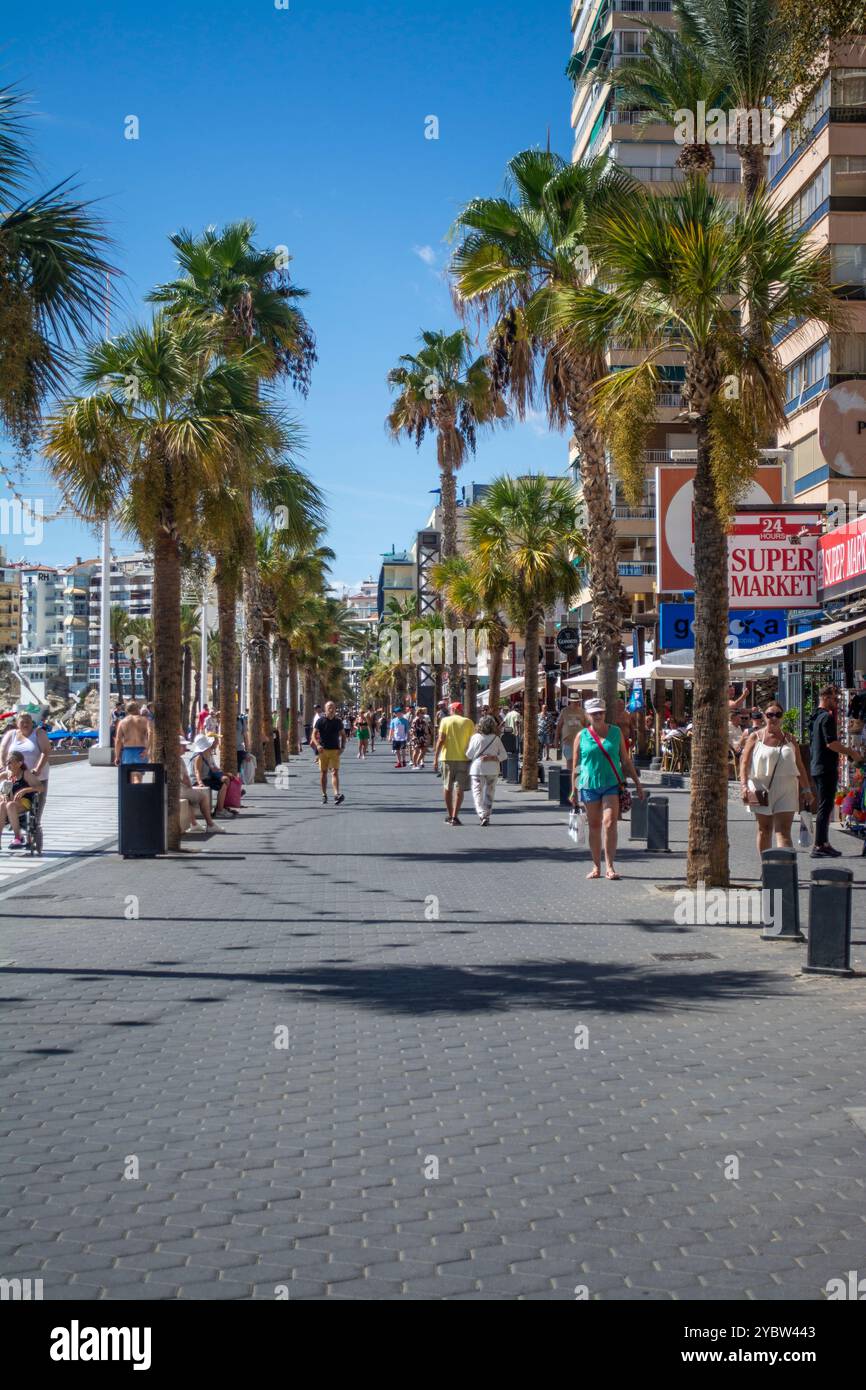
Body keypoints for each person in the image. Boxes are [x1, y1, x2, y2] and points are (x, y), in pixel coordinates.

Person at [571, 697, 644, 880]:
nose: (597, 715)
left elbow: (626, 760)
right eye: (594, 713)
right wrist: (573, 789)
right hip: (589, 785)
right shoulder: (581, 736)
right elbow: (576, 765)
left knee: (610, 823)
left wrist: (637, 783)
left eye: (600, 712)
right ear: (587, 715)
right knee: (594, 826)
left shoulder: (616, 732)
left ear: (605, 713)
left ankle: (610, 867)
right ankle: (596, 867)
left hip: (612, 783)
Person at [740, 700, 813, 859]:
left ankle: (784, 871)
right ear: (764, 717)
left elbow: (799, 766)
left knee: (784, 831)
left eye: (778, 715)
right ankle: (766, 869)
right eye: (770, 715)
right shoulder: (755, 737)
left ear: (782, 717)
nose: (774, 718)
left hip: (787, 788)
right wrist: (744, 785)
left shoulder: (791, 739)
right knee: (764, 829)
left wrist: (807, 789)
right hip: (760, 788)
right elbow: (744, 762)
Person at [810, 685, 862, 857]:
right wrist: (851, 752)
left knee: (824, 806)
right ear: (825, 697)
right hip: (825, 767)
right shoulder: (826, 717)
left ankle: (822, 843)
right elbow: (831, 743)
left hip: (817, 766)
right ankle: (820, 845)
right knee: (825, 807)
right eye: (834, 698)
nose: (837, 702)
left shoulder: (815, 716)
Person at [433, 701, 475, 826]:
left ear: (452, 710)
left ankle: (450, 814)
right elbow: (472, 741)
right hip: (464, 759)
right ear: (460, 710)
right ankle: (455, 816)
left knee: (447, 787)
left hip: (447, 758)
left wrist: (435, 758)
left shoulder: (445, 721)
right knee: (459, 788)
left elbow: (441, 740)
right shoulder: (468, 722)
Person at [466, 715, 507, 826]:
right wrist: (493, 757)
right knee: (490, 793)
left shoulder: (476, 737)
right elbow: (504, 755)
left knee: (477, 792)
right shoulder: (496, 738)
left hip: (477, 769)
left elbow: (469, 755)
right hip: (493, 769)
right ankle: (487, 814)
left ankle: (482, 814)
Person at [0, 750, 42, 848]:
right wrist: (2, 795)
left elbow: (40, 787)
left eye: (10, 762)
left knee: (9, 805)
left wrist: (25, 790)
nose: (8, 764)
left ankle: (18, 837)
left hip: (23, 802)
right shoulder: (7, 774)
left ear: (20, 763)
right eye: (7, 762)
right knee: (2, 804)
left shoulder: (26, 774)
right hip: (9, 802)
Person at [188, 733, 236, 818]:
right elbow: (197, 771)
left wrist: (224, 773)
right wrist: (200, 782)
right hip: (198, 780)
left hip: (206, 777)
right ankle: (219, 810)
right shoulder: (198, 756)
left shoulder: (205, 754)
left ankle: (220, 808)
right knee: (222, 785)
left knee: (223, 784)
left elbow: (213, 768)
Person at [179, 749, 224, 834]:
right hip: (180, 789)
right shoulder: (179, 760)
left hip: (177, 789)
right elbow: (186, 778)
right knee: (203, 798)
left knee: (190, 800)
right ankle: (210, 824)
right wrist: (191, 786)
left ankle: (194, 824)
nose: (185, 747)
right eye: (183, 746)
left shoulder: (206, 755)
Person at [311, 700, 345, 805]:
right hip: (323, 750)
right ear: (325, 709)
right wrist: (318, 745)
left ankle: (336, 794)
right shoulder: (320, 721)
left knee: (335, 772)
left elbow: (343, 735)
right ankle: (324, 795)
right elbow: (313, 735)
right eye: (329, 707)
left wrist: (342, 747)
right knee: (323, 772)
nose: (331, 708)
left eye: (333, 707)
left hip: (335, 750)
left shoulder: (338, 722)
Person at [113, 701, 152, 784]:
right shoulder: (145, 720)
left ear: (127, 710)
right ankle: (137, 795)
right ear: (138, 708)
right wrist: (147, 749)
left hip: (127, 752)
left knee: (129, 778)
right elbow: (150, 733)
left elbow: (118, 740)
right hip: (141, 751)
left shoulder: (122, 722)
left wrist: (117, 756)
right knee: (137, 777)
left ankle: (132, 795)